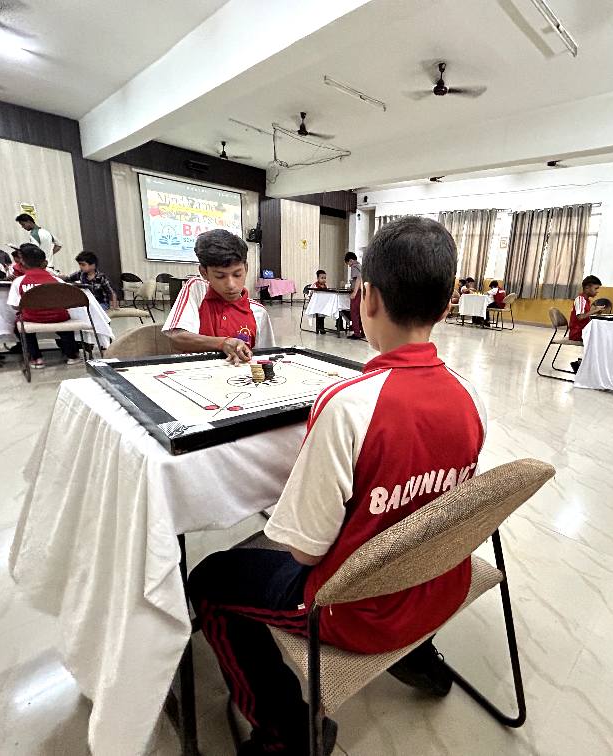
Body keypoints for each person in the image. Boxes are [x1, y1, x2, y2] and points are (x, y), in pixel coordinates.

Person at [187, 215, 486, 755]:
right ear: (447, 307)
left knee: (209, 580)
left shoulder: (347, 405)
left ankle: (286, 734)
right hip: (442, 582)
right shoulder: (471, 395)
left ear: (365, 298)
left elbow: (305, 552)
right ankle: (419, 655)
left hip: (358, 609)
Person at [163, 229, 274, 359]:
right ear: (204, 273)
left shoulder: (258, 312)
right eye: (220, 276)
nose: (231, 284)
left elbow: (267, 356)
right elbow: (177, 338)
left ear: (246, 268)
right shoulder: (197, 290)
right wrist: (222, 343)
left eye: (237, 274)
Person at [7, 244, 81, 370]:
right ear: (44, 262)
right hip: (58, 317)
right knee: (65, 324)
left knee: (21, 326)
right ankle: (72, 355)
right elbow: (67, 301)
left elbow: (15, 306)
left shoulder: (18, 282)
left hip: (32, 318)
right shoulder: (57, 280)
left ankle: (36, 358)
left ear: (22, 262)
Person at [346, 250, 364, 340]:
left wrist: (354, 292)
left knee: (354, 312)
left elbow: (358, 279)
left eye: (348, 263)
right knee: (361, 312)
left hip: (358, 292)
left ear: (351, 260)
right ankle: (363, 331)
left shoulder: (354, 266)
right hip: (363, 291)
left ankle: (357, 333)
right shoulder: (361, 266)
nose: (349, 266)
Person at [312, 269, 329, 334]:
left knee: (322, 314)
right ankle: (320, 327)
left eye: (325, 278)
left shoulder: (325, 286)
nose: (324, 279)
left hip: (323, 303)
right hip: (316, 303)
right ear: (318, 278)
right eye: (322, 278)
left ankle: (321, 327)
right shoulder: (315, 285)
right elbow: (311, 294)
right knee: (320, 314)